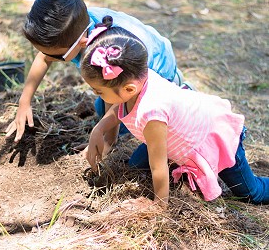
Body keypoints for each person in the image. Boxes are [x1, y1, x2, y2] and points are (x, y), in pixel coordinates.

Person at [80, 17, 269, 206]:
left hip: (212, 138)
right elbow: (119, 107)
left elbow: (158, 167)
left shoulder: (151, 113)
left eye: (98, 91)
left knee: (251, 193)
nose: (96, 95)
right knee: (135, 167)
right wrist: (99, 129)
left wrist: (159, 206)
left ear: (129, 89)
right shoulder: (138, 77)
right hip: (175, 131)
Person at [5, 0, 188, 168]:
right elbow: (45, 56)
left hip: (152, 72)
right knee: (103, 106)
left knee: (135, 128)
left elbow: (117, 91)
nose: (49, 57)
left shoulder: (104, 49)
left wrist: (108, 140)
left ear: (82, 43)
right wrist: (25, 101)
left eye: (58, 56)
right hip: (121, 75)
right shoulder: (74, 26)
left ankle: (178, 93)